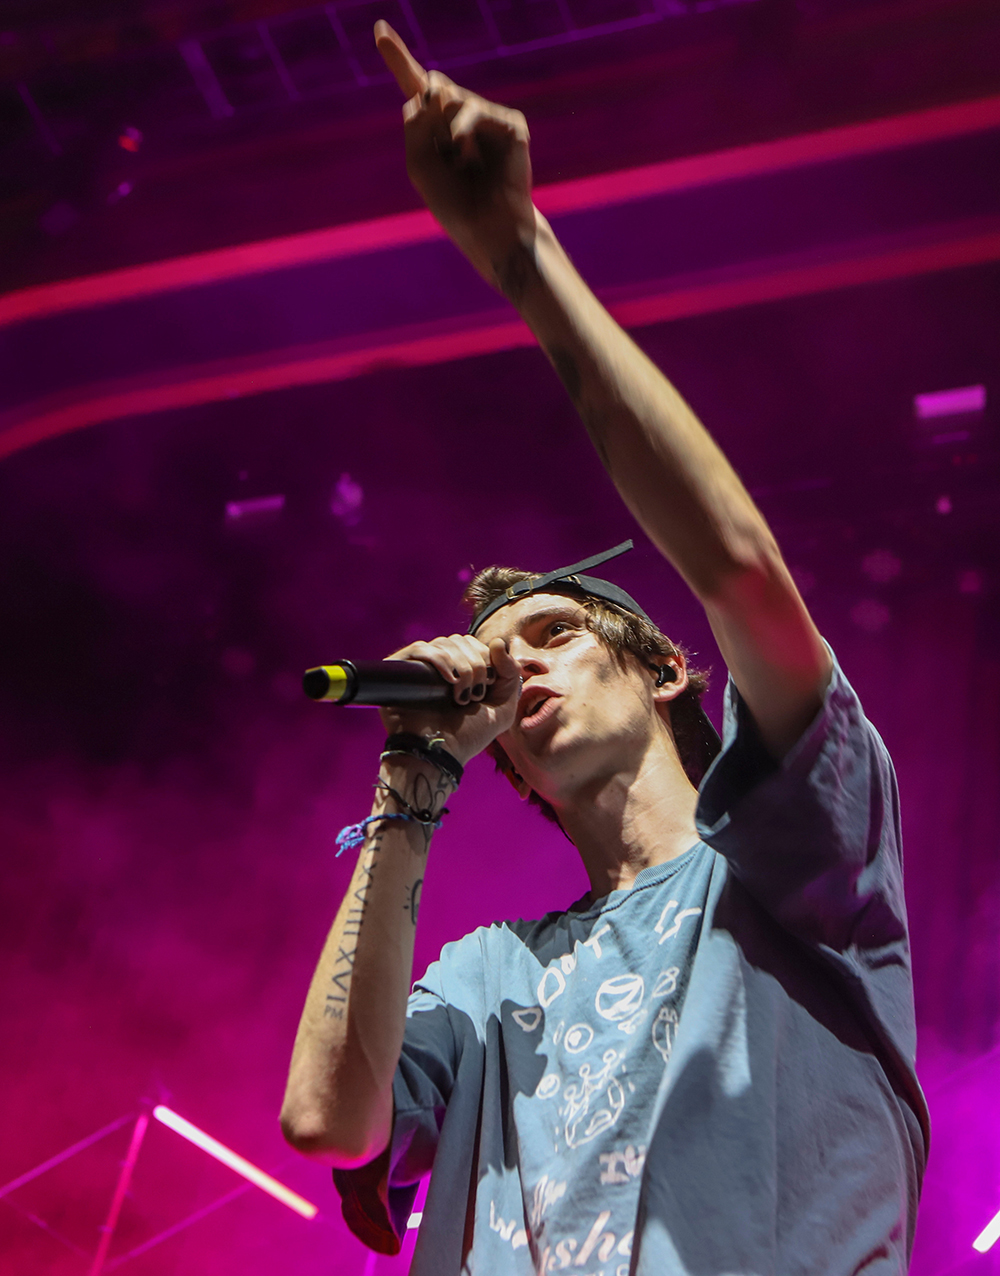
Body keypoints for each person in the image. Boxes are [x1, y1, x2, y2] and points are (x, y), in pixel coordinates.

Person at [280, 22, 929, 1274]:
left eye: (556, 631)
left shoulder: (797, 855)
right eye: (492, 662)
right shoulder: (485, 977)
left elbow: (738, 567)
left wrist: (519, 256)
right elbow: (326, 1117)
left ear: (667, 668)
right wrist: (410, 781)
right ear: (509, 767)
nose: (513, 667)